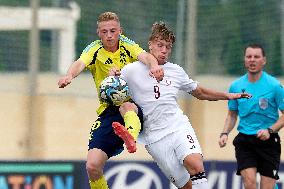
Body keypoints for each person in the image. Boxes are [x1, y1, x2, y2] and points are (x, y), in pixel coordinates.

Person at [112, 21, 251, 189]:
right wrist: (112, 75)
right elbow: (112, 90)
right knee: (186, 186)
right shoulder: (131, 70)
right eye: (160, 45)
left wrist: (227, 95)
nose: (164, 50)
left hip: (177, 126)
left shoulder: (176, 71)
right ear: (150, 45)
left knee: (195, 163)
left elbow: (199, 92)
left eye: (168, 47)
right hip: (154, 137)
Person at [57, 12, 164, 189]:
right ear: (98, 33)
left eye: (113, 31)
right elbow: (80, 63)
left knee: (125, 105)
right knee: (92, 166)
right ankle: (125, 133)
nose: (109, 35)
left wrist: (154, 66)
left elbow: (146, 56)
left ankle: (130, 134)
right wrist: (69, 75)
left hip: (133, 107)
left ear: (120, 31)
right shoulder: (94, 49)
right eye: (104, 31)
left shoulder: (127, 45)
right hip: (108, 112)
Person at [218, 43, 284, 189]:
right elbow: (232, 114)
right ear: (244, 60)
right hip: (245, 141)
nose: (252, 60)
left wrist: (270, 130)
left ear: (264, 60)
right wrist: (224, 133)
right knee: (249, 183)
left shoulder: (274, 86)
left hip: (269, 142)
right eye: (249, 56)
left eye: (256, 57)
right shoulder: (236, 86)